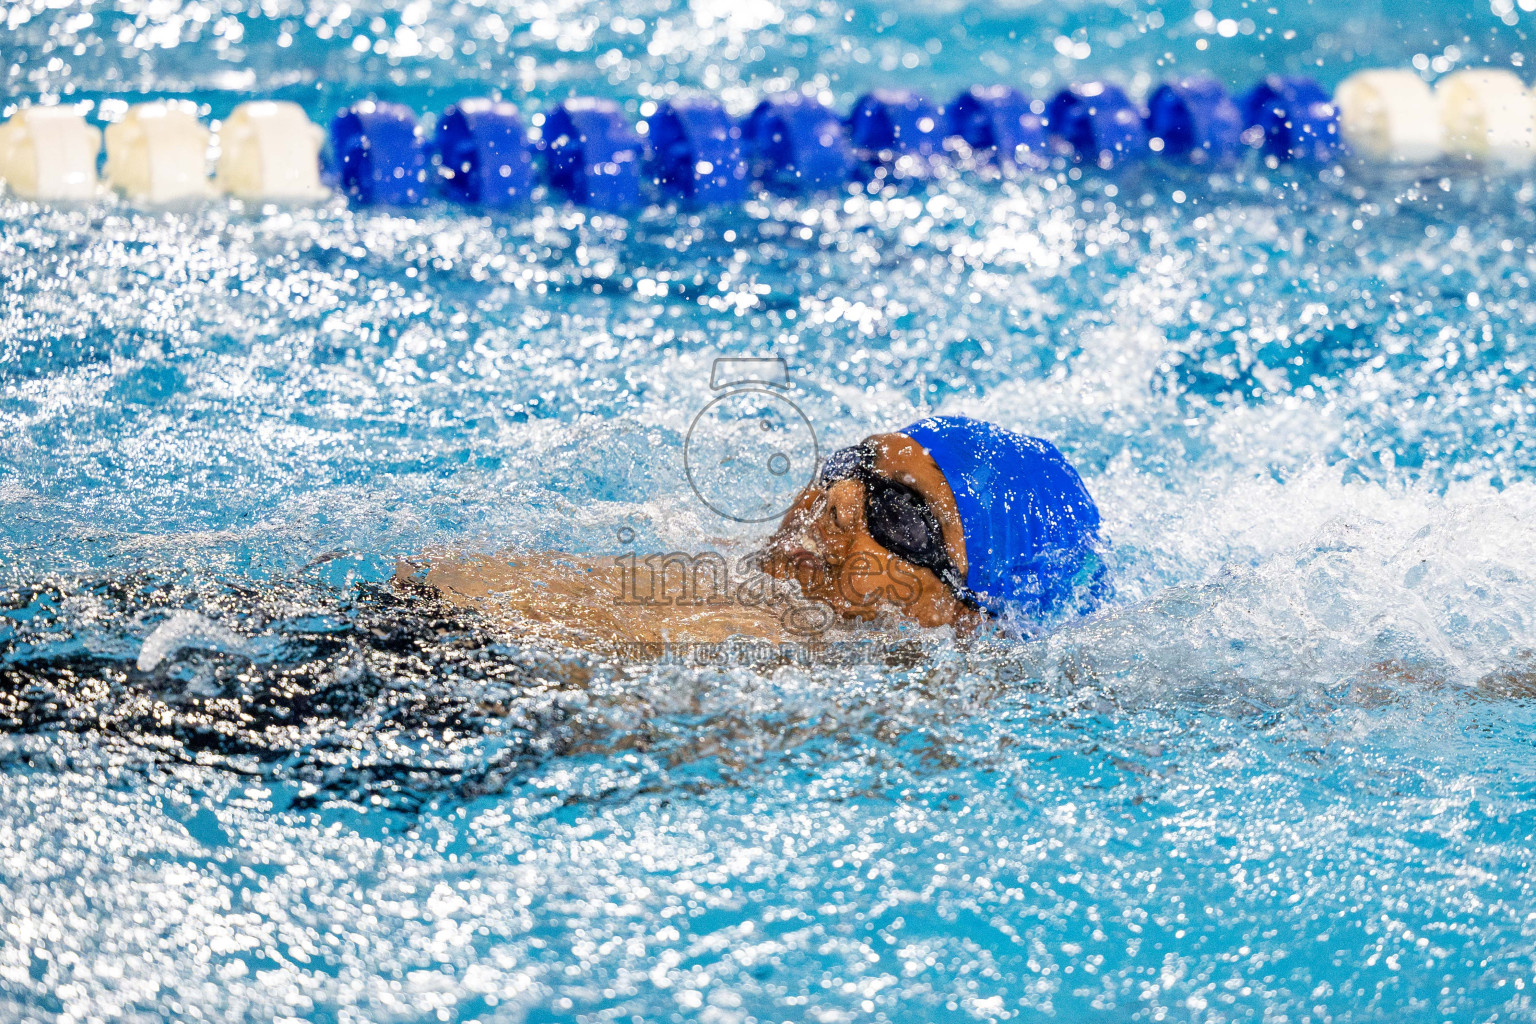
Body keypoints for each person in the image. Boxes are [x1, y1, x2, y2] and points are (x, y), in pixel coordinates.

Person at [395, 416, 1102, 651]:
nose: (837, 501)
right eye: (850, 466)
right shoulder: (723, 580)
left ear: (969, 618)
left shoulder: (893, 693)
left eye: (898, 514)